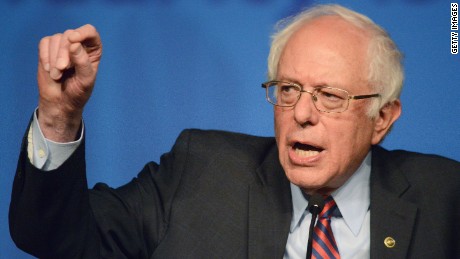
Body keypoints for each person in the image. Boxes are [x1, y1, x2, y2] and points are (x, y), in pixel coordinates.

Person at [9, 4, 459, 259]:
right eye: (288, 89)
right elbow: (53, 237)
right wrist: (59, 115)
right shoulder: (199, 170)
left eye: (330, 95)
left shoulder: (446, 198)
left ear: (382, 118)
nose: (301, 113)